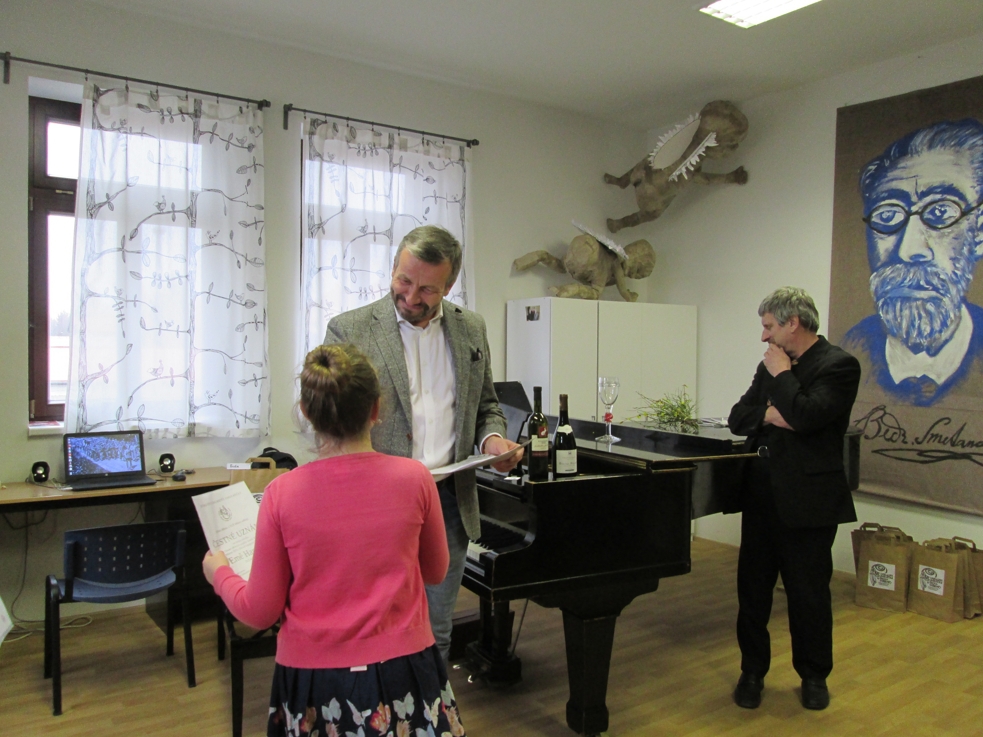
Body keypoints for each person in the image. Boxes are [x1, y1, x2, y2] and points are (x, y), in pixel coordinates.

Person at [203, 343, 466, 737]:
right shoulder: (416, 479)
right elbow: (435, 571)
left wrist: (219, 573)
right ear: (376, 409)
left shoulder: (281, 494)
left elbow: (259, 611)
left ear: (306, 412)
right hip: (407, 671)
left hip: (315, 682)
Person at [323, 224, 523, 664]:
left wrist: (491, 440)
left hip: (447, 502)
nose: (411, 296)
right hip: (374, 506)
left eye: (427, 289)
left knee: (436, 631)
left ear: (449, 286)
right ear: (394, 267)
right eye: (404, 280)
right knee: (373, 628)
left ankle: (431, 705)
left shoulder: (472, 328)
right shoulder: (349, 330)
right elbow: (331, 423)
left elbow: (486, 405)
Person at [728, 287, 861, 711]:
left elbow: (806, 416)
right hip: (761, 496)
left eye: (769, 326)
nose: (764, 336)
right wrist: (773, 413)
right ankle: (752, 672)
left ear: (793, 323)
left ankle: (814, 675)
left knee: (808, 594)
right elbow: (737, 417)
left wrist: (783, 378)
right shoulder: (769, 364)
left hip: (809, 500)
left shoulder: (838, 365)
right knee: (753, 592)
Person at [843, 118, 983, 406]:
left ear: (979, 232)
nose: (909, 249)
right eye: (887, 216)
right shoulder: (848, 351)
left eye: (941, 212)